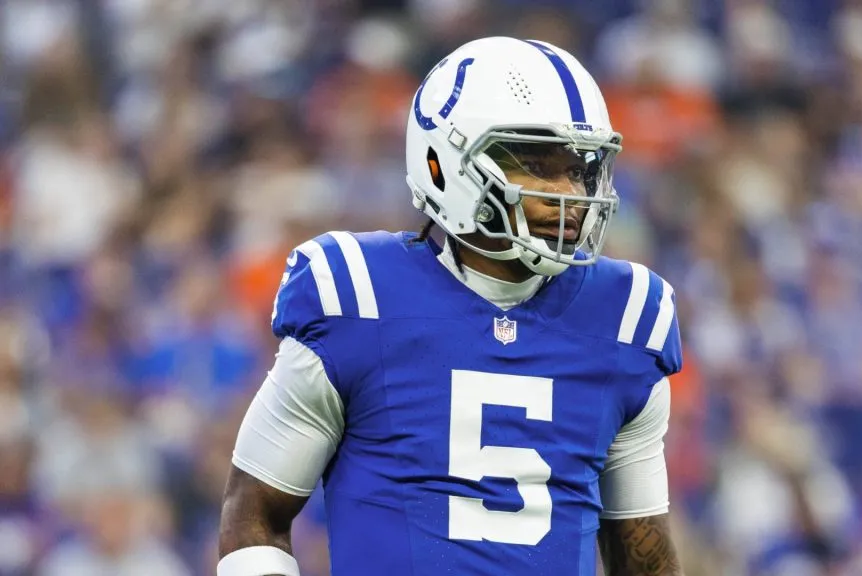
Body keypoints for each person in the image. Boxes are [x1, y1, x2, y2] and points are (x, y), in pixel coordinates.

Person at [217, 36, 684, 576]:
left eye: (578, 169)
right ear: (444, 164)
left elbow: (643, 558)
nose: (569, 195)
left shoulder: (626, 318)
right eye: (535, 164)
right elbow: (253, 515)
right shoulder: (358, 297)